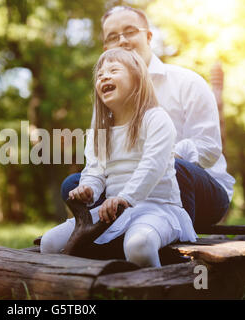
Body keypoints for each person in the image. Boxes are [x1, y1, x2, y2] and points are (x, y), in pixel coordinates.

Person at [61, 6, 235, 230]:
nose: (122, 41)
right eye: (113, 37)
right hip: (128, 185)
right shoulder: (108, 97)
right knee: (73, 186)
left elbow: (210, 148)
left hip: (198, 192)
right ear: (106, 48)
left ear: (148, 36)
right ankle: (114, 232)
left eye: (130, 31)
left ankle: (172, 239)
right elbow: (99, 160)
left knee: (172, 166)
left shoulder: (187, 82)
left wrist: (163, 155)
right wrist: (91, 185)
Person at [40, 48, 197, 268]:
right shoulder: (100, 130)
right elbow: (95, 171)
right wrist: (88, 189)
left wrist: (125, 197)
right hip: (115, 212)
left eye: (114, 70)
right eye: (100, 74)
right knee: (49, 244)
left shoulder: (156, 118)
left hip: (157, 208)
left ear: (137, 79)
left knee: (139, 246)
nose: (104, 76)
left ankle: (155, 290)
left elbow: (152, 166)